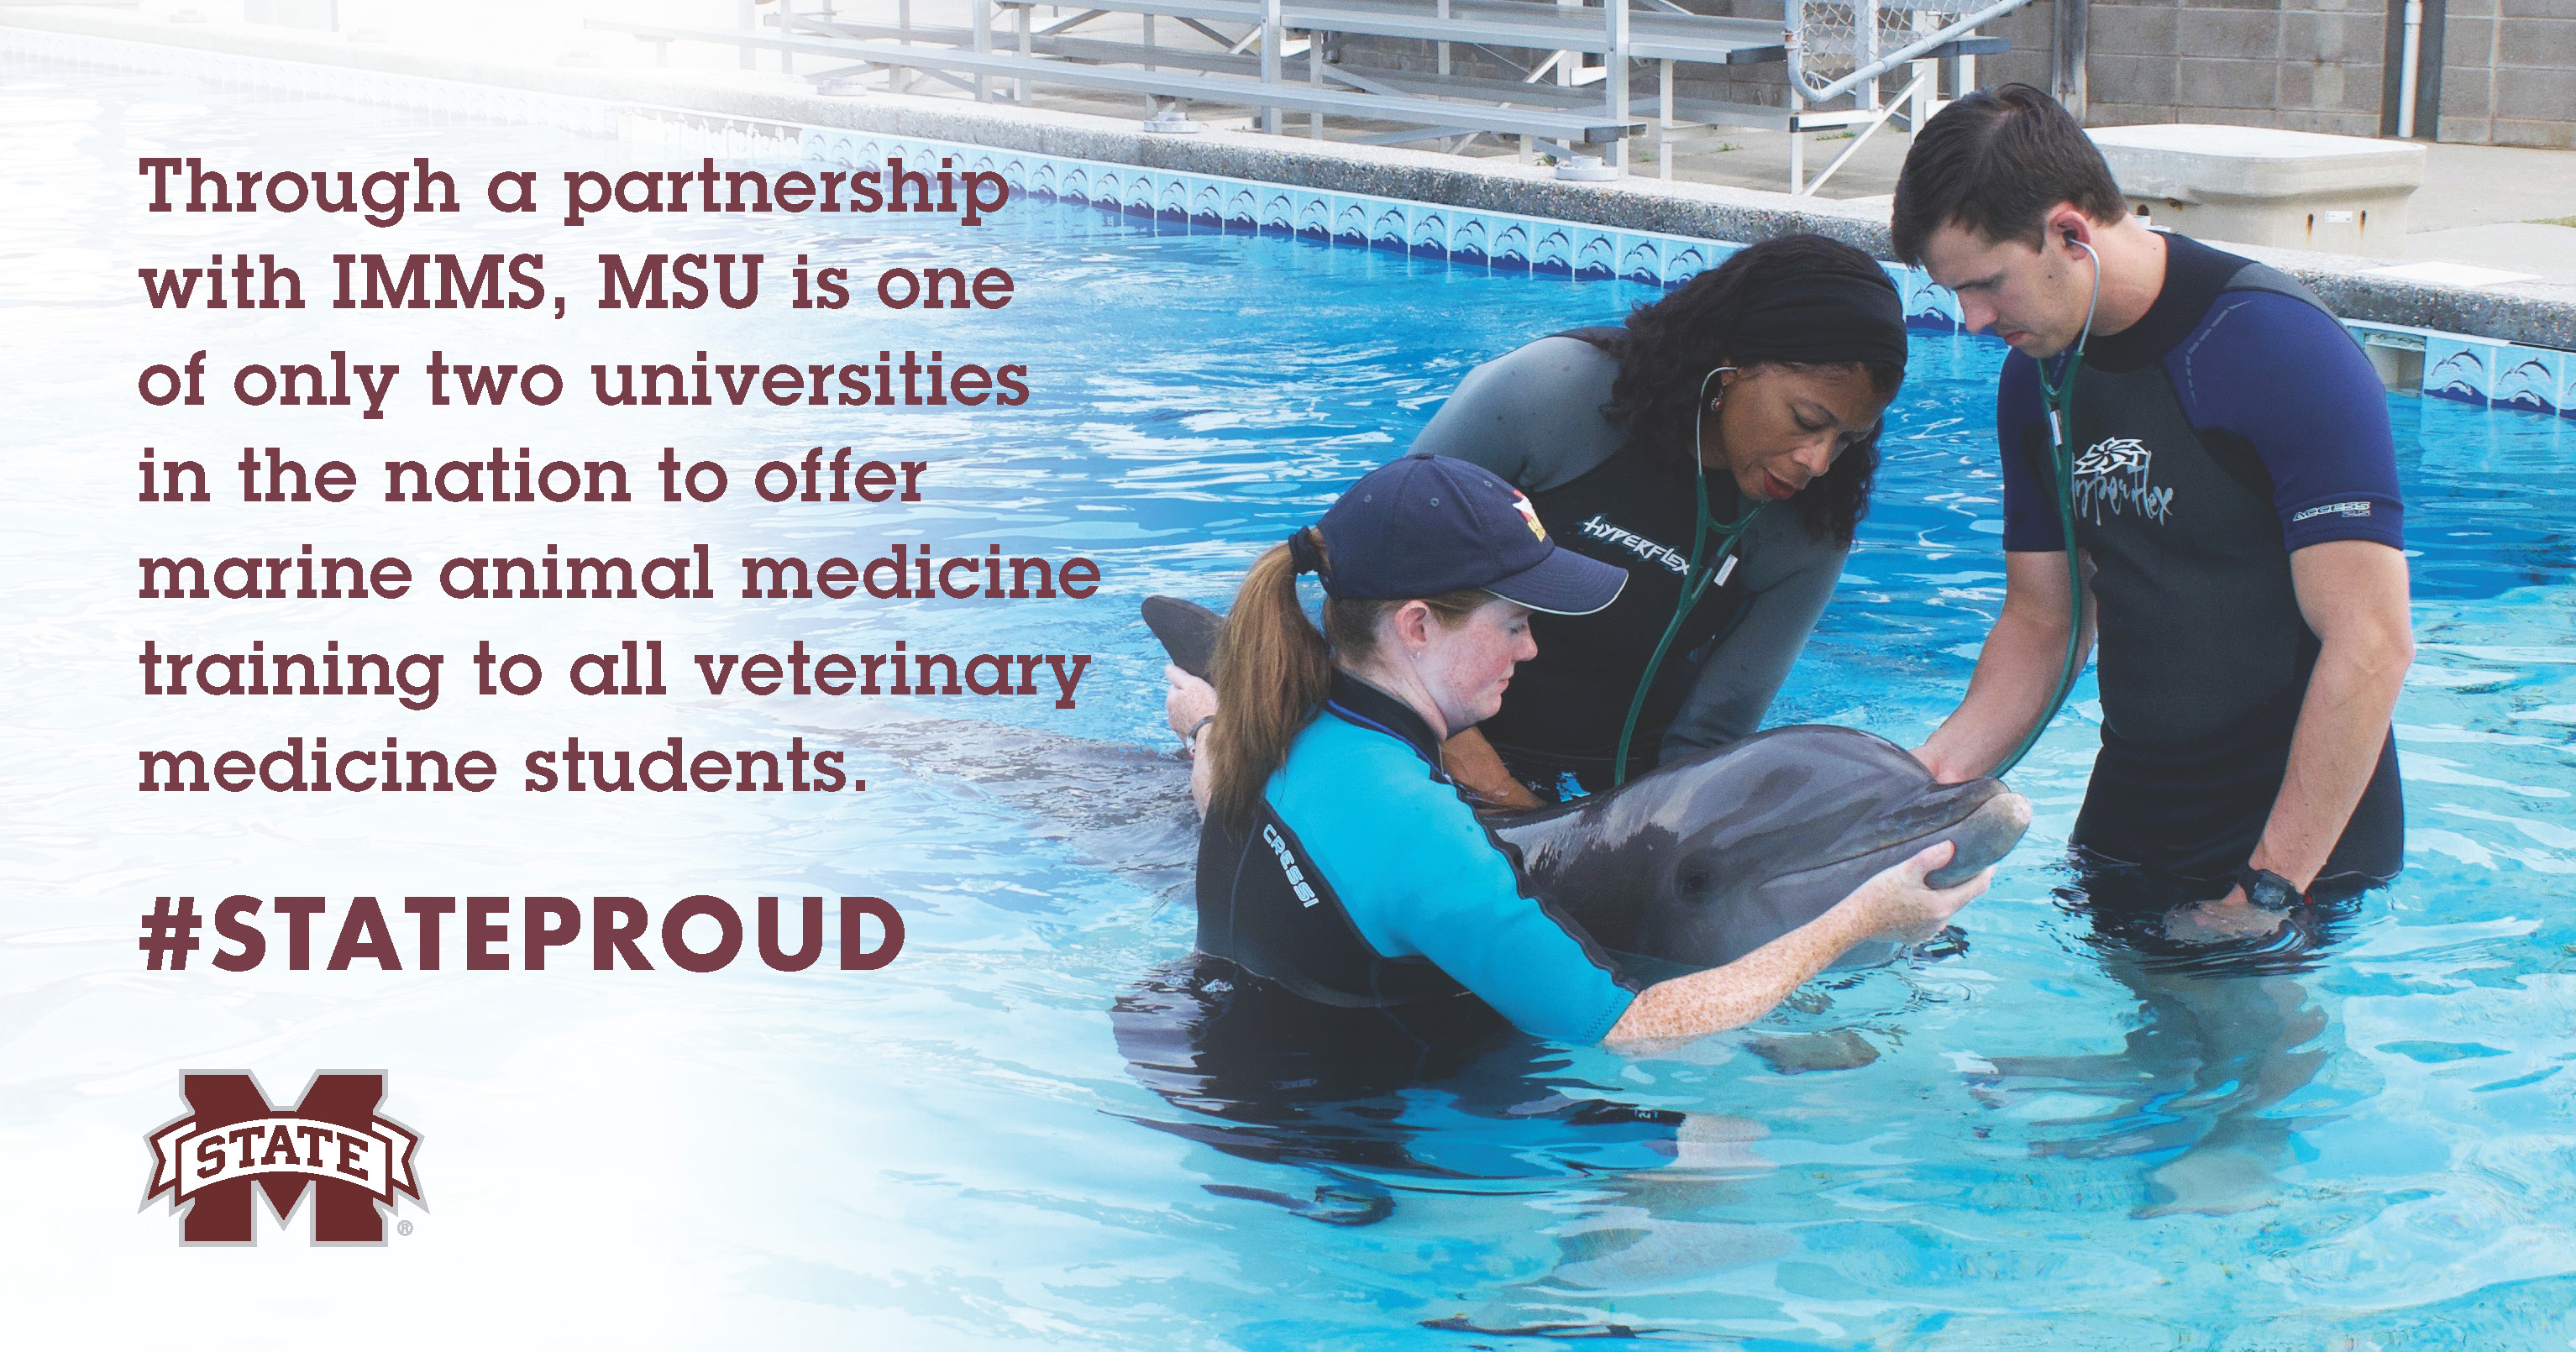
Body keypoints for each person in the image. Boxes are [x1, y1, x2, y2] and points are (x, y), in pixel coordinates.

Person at [1192, 452, 1988, 1051]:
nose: (1532, 650)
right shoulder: (1421, 831)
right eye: (1512, 624)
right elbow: (1634, 1028)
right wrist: (1854, 924)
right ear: (1416, 625)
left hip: (1220, 1053)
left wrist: (1200, 727)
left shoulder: (1282, 722)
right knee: (1729, 1153)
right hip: (1350, 1151)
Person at [1888, 85, 2414, 942]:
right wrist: (1914, 790)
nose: (1972, 319)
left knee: (2236, 1069)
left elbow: (2372, 641)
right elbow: (2043, 619)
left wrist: (2270, 888)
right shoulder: (2037, 375)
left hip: (2292, 831)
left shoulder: (2277, 348)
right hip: (2135, 806)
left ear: (2069, 231)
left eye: (1985, 284)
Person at [1167, 233, 1911, 810]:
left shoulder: (1807, 530)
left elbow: (1708, 739)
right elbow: (1365, 574)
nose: (1817, 461)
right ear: (1730, 363)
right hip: (1407, 737)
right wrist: (1499, 800)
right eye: (1806, 419)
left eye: (1847, 438)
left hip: (1596, 794)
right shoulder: (1554, 396)